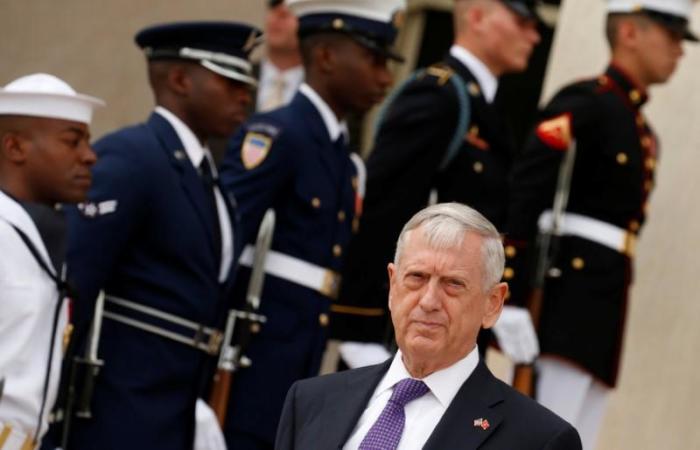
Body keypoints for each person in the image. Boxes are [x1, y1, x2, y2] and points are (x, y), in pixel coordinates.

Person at [504, 1, 696, 448]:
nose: (679, 51)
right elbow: (527, 191)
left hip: (603, 306)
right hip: (565, 299)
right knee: (545, 432)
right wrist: (509, 289)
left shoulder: (640, 128)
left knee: (579, 437)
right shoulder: (586, 104)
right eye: (669, 36)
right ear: (629, 32)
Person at [63, 22, 260, 450]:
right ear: (179, 80)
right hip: (114, 408)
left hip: (176, 411)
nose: (245, 95)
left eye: (246, 83)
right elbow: (77, 284)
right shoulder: (132, 157)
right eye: (230, 82)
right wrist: (57, 405)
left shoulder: (212, 180)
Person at [218, 0, 403, 447]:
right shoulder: (279, 135)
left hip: (298, 356)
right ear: (325, 58)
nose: (385, 78)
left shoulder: (342, 157)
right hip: (251, 359)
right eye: (374, 60)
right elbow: (222, 246)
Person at [331, 0, 543, 367]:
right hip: (402, 332)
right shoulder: (439, 94)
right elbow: (383, 210)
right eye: (522, 21)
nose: (534, 35)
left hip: (451, 330)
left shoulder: (489, 108)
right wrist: (358, 327)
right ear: (477, 16)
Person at [276, 202, 582, 450]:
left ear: (492, 304)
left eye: (453, 284)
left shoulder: (539, 440)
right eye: (417, 278)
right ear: (393, 285)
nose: (428, 301)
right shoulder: (310, 401)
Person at [0, 73, 102, 449]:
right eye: (72, 141)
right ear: (15, 147)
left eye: (88, 141)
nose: (89, 155)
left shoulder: (40, 234)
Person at [256, 0, 304, 112]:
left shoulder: (321, 88)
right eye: (273, 9)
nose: (278, 16)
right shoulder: (239, 79)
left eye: (290, 11)